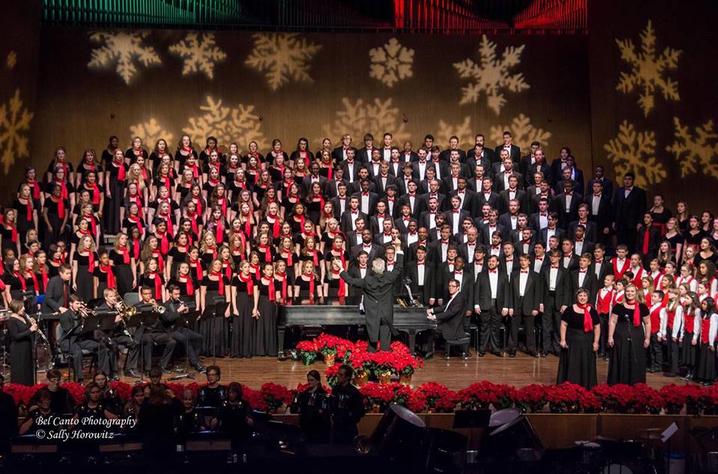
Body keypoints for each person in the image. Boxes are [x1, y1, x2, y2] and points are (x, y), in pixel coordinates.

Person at [336, 244, 404, 352]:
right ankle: (385, 359)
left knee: (372, 339)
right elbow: (399, 267)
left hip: (372, 313)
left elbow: (351, 281)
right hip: (386, 312)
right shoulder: (389, 277)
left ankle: (371, 359)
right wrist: (399, 249)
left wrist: (340, 269)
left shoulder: (367, 280)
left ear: (372, 268)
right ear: (383, 267)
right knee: (385, 340)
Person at [59, 295, 111, 382]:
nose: (79, 306)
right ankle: (80, 378)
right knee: (77, 352)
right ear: (70, 304)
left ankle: (104, 375)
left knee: (101, 347)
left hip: (80, 340)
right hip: (69, 341)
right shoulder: (65, 316)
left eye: (80, 303)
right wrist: (82, 320)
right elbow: (70, 330)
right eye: (77, 303)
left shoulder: (80, 313)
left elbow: (87, 328)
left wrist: (89, 319)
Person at [607, 283, 650, 385]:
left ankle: (635, 383)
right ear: (624, 293)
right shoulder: (618, 306)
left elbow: (647, 323)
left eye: (632, 291)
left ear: (636, 293)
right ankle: (619, 383)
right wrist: (610, 337)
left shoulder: (642, 307)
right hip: (620, 337)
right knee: (621, 359)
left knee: (635, 359)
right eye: (627, 291)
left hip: (637, 337)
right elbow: (612, 321)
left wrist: (647, 338)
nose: (629, 293)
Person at [557, 289, 600, 389]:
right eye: (580, 295)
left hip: (587, 342)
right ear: (577, 297)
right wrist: (563, 340)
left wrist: (596, 342)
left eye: (585, 296)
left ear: (588, 297)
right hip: (572, 342)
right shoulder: (570, 309)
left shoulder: (592, 311)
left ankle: (585, 386)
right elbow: (563, 324)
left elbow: (597, 327)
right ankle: (570, 387)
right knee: (572, 364)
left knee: (585, 364)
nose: (582, 298)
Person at [162, 284, 205, 372]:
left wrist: (186, 312)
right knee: (185, 339)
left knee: (199, 337)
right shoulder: (166, 305)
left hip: (180, 328)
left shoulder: (180, 303)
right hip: (171, 330)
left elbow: (184, 319)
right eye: (175, 294)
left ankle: (193, 359)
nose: (178, 296)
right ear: (170, 294)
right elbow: (168, 318)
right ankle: (196, 363)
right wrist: (179, 311)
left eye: (179, 294)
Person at [329, 365, 365, 444]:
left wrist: (349, 417)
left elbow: (360, 411)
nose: (338, 376)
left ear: (347, 377)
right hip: (336, 427)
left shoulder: (354, 392)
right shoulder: (335, 389)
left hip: (349, 429)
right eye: (338, 374)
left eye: (341, 375)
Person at [291, 370, 330, 443]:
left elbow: (323, 411)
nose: (309, 382)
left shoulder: (322, 394)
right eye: (308, 380)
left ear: (318, 381)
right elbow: (298, 407)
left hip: (316, 427)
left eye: (312, 380)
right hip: (305, 425)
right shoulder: (305, 393)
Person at [6, 299, 37, 385]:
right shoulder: (11, 320)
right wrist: (30, 330)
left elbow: (28, 329)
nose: (24, 308)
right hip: (18, 350)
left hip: (26, 347)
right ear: (16, 308)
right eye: (21, 307)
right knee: (20, 373)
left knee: (27, 371)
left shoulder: (23, 316)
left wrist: (32, 324)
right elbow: (15, 336)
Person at [694, 297, 717, 385]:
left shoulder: (714, 316)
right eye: (702, 304)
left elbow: (713, 330)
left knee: (709, 360)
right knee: (703, 359)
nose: (702, 306)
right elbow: (701, 327)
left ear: (710, 305)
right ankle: (702, 377)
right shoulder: (704, 314)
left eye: (705, 304)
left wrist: (711, 343)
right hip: (703, 339)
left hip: (709, 341)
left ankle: (709, 379)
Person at [0, 374, 18, 454]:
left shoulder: (8, 398)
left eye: (1, 384)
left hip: (5, 436)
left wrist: (13, 434)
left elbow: (13, 418)